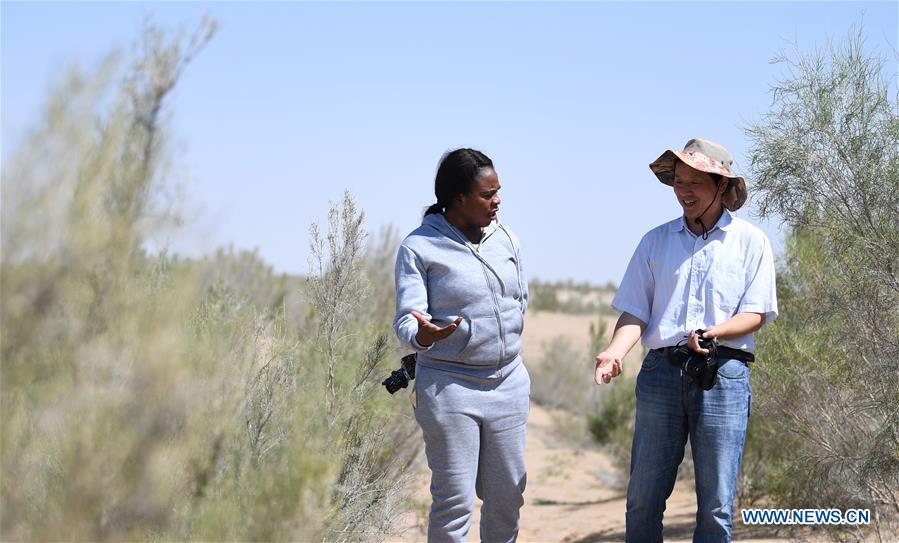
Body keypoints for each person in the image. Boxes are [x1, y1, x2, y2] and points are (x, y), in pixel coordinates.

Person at [594, 138, 778, 542]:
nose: (683, 191)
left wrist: (712, 334)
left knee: (715, 506)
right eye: (678, 181)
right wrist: (613, 352)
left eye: (694, 182)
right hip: (662, 373)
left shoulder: (751, 242)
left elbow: (756, 314)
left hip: (723, 374)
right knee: (642, 499)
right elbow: (635, 311)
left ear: (720, 185)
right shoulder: (654, 242)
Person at [394, 148, 530, 542]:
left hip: (508, 384)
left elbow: (521, 298)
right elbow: (408, 318)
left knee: (507, 496)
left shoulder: (507, 238)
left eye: (498, 191)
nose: (497, 201)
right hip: (450, 387)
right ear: (458, 199)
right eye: (488, 195)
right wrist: (424, 336)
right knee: (454, 503)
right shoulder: (419, 247)